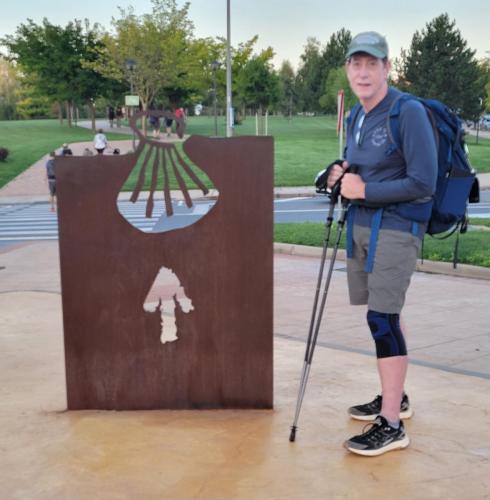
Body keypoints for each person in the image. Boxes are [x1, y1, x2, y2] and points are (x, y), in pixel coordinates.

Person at [326, 32, 437, 456]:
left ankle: (391, 424)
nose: (363, 72)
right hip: (363, 227)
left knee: (381, 321)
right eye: (356, 64)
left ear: (388, 67)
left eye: (372, 64)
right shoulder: (357, 113)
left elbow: (422, 182)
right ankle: (397, 397)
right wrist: (339, 172)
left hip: (395, 229)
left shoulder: (407, 112)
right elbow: (358, 164)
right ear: (348, 70)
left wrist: (364, 190)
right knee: (387, 315)